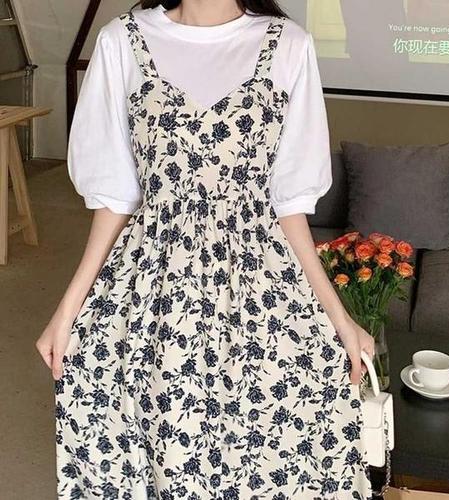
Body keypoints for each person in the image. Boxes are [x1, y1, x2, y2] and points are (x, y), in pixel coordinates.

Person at [36, 0, 374, 498]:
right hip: (155, 292)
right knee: (163, 440)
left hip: (258, 287)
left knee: (273, 435)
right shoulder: (121, 41)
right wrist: (67, 311)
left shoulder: (288, 44)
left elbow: (289, 207)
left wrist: (339, 319)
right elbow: (115, 200)